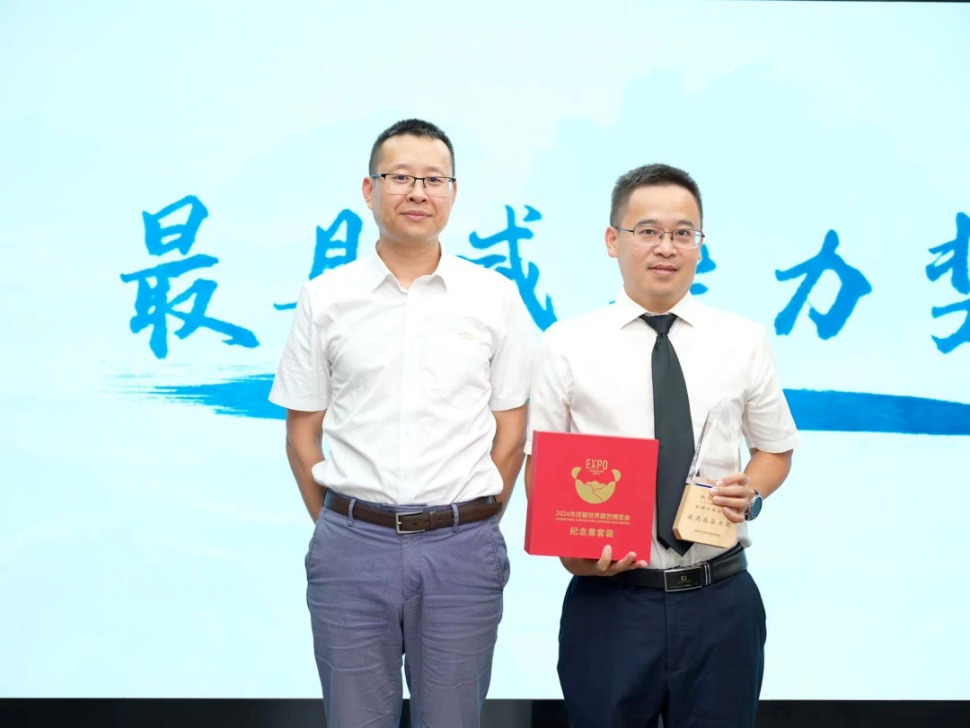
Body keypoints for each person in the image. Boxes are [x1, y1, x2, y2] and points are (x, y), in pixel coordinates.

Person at [269, 118, 535, 728]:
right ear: (370, 190)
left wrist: (470, 524)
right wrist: (346, 525)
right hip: (351, 548)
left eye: (434, 179)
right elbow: (301, 435)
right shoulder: (326, 297)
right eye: (400, 177)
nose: (418, 192)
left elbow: (512, 433)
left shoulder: (494, 297)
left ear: (453, 193)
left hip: (462, 549)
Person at [525, 163, 798, 727]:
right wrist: (570, 551)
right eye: (647, 231)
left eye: (683, 232)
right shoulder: (567, 344)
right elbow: (543, 468)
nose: (666, 247)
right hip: (611, 602)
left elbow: (775, 450)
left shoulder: (742, 340)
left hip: (720, 597)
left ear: (700, 245)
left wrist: (751, 491)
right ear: (613, 240)